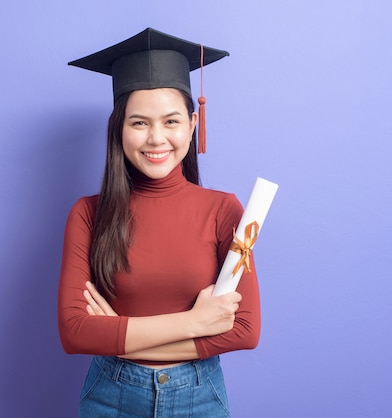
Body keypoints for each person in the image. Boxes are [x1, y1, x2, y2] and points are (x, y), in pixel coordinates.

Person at [58, 28, 261, 417]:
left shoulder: (227, 211)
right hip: (109, 397)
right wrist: (195, 322)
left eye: (171, 121)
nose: (156, 138)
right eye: (139, 123)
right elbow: (74, 332)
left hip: (199, 398)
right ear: (119, 128)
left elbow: (244, 330)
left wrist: (118, 336)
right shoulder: (87, 214)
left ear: (192, 122)